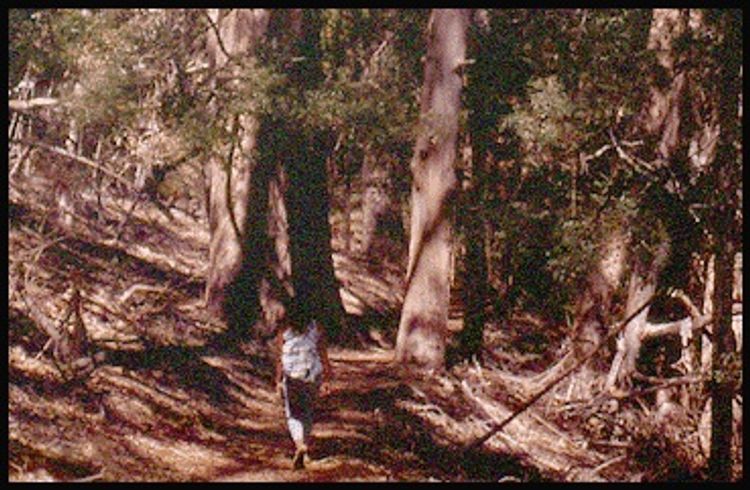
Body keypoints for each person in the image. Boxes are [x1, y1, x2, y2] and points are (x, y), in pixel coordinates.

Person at [275, 303, 332, 470]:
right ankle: (304, 446)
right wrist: (327, 377)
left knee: (293, 413)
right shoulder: (316, 328)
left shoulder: (284, 330)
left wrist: (278, 380)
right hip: (312, 374)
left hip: (292, 375)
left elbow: (279, 357)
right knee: (307, 411)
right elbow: (323, 354)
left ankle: (300, 444)